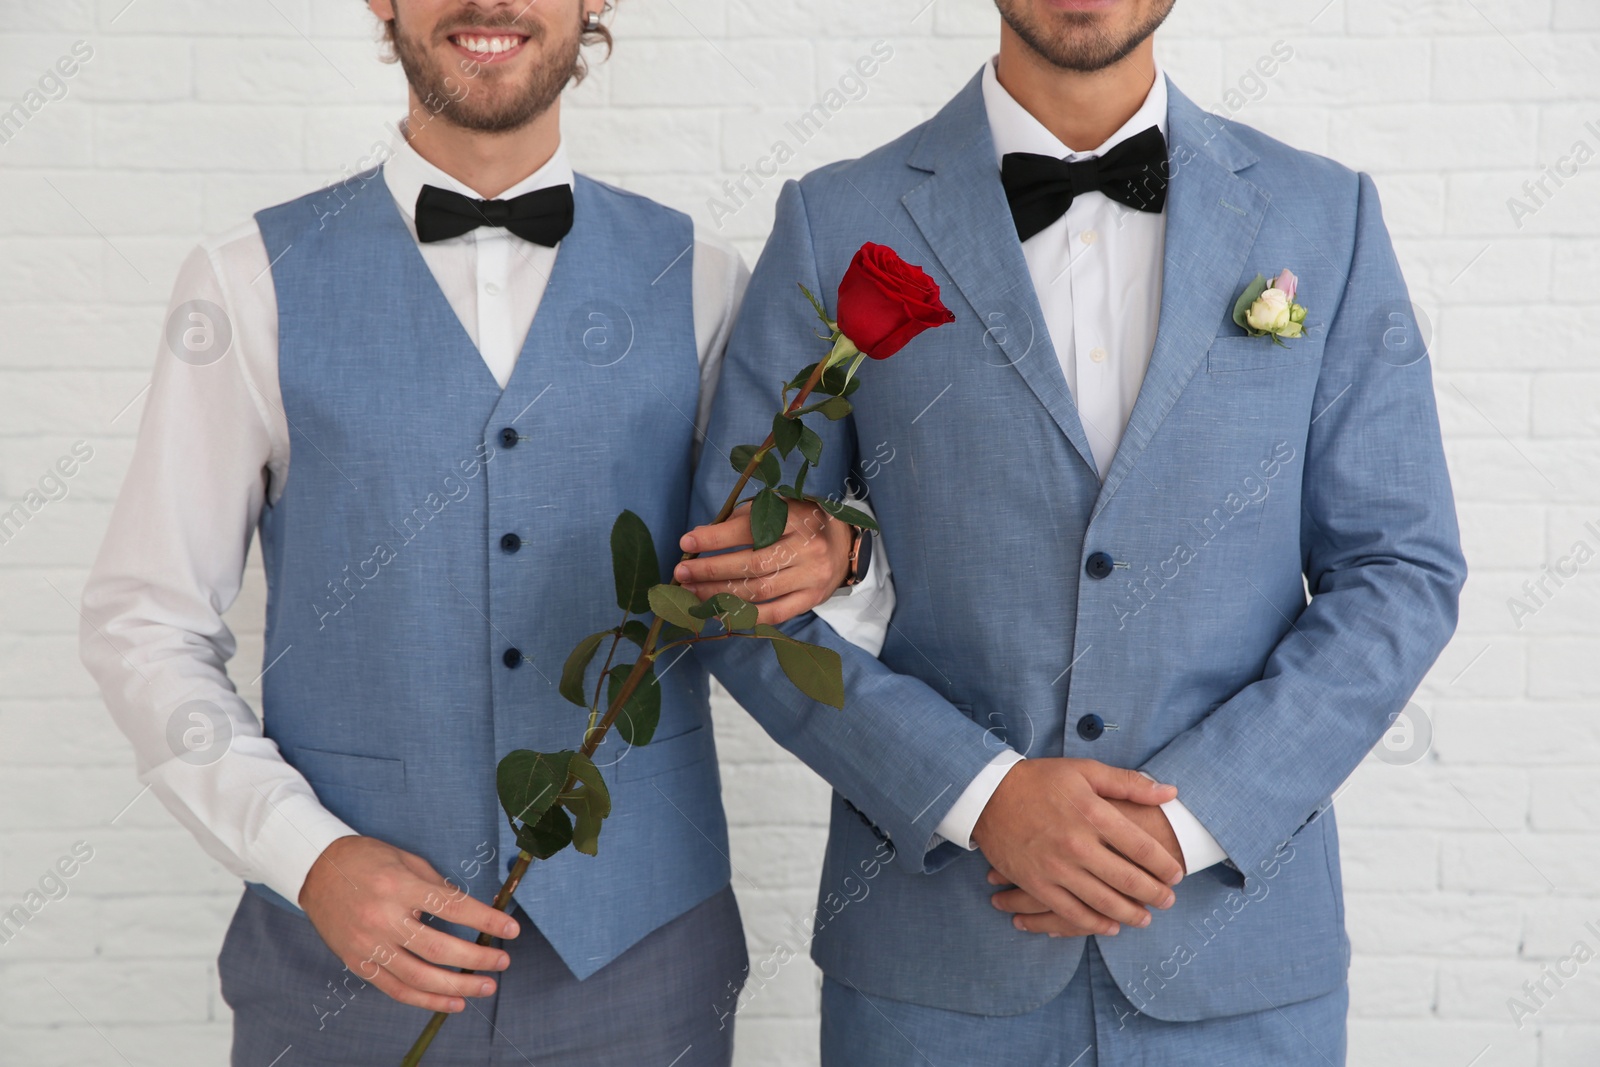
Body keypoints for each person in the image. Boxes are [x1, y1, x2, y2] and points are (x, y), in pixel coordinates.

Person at [79, 2, 891, 1064]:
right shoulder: (247, 283)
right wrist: (307, 854)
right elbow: (146, 620)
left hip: (647, 971)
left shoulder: (701, 281)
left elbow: (791, 594)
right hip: (336, 979)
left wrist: (844, 552)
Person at [679, 0, 1465, 1063]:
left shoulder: (1328, 220)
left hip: (1236, 970)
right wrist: (976, 791)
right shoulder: (835, 220)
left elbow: (1398, 566)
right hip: (932, 974)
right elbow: (730, 588)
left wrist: (1187, 818)